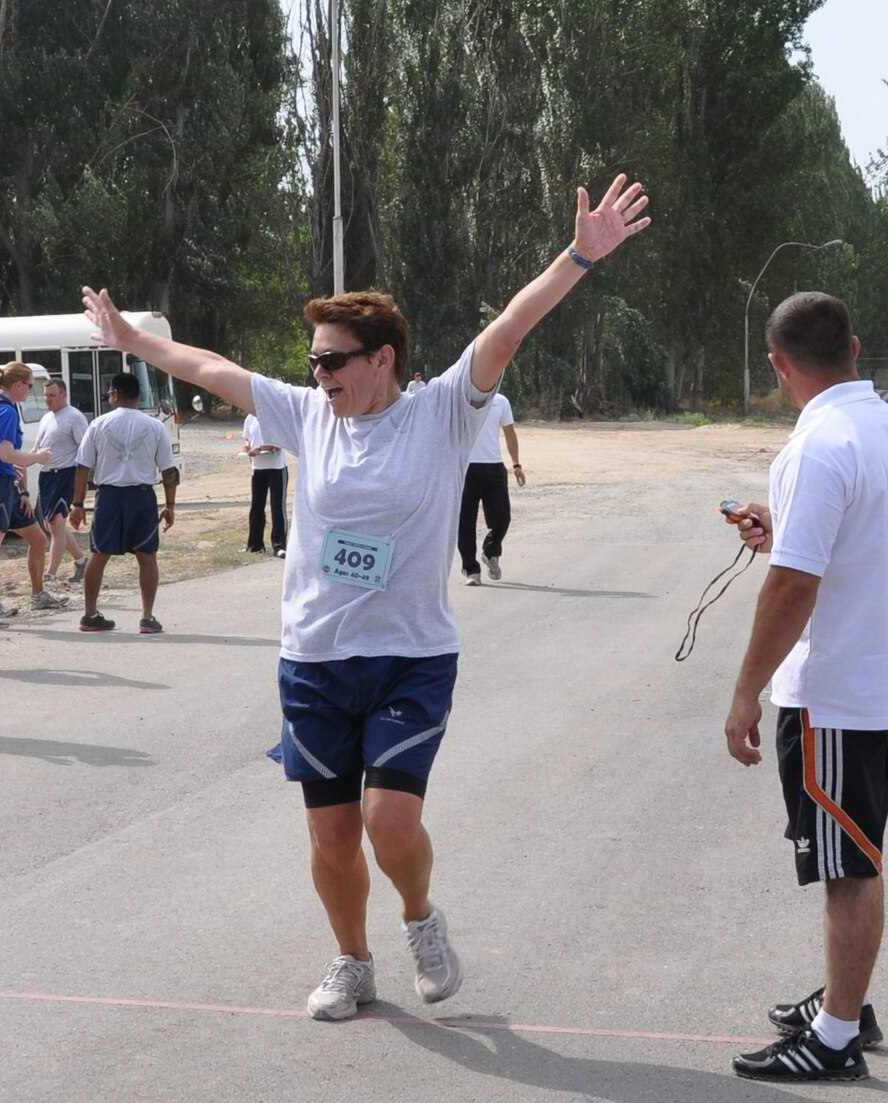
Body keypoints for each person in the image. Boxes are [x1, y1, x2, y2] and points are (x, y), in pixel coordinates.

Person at [83, 172, 650, 1021]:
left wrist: (579, 255)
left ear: (382, 359)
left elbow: (507, 328)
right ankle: (353, 960)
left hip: (411, 656)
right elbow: (210, 368)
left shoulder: (444, 413)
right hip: (314, 659)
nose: (316, 374)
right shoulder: (308, 415)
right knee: (331, 836)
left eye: (332, 359)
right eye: (311, 360)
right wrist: (132, 339)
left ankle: (421, 919)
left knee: (389, 821)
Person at [723, 292, 886, 1082]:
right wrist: (783, 526)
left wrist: (745, 693)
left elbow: (793, 586)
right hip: (874, 682)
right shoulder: (879, 426)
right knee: (859, 855)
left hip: (838, 696)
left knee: (849, 868)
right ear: (855, 348)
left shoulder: (817, 447)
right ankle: (847, 1001)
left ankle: (836, 1037)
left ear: (779, 366)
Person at [72, 372, 178, 633]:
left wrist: (77, 504)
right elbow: (169, 471)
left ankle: (90, 614)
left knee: (99, 554)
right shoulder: (155, 426)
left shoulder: (98, 424)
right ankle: (147, 617)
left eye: (109, 394)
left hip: (108, 496)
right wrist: (170, 505)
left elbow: (83, 467)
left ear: (116, 394)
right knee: (146, 555)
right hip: (141, 496)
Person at [0, 363, 63, 622]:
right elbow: (6, 453)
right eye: (30, 386)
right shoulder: (6, 411)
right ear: (18, 385)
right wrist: (37, 457)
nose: (30, 392)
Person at [458, 391, 524, 584]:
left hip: (494, 467)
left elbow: (510, 433)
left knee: (503, 517)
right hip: (465, 468)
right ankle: (471, 570)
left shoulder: (501, 401)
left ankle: (490, 551)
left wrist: (516, 464)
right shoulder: (460, 398)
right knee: (465, 522)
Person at [34, 375, 90, 583]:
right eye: (46, 395)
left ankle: (50, 574)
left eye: (52, 395)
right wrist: (23, 462)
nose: (48, 399)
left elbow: (85, 449)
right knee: (50, 526)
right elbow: (37, 448)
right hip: (46, 475)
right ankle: (81, 560)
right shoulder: (45, 418)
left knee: (56, 524)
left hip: (65, 474)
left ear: (64, 395)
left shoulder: (74, 417)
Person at [242, 411, 287, 556]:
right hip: (258, 467)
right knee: (256, 506)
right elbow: (247, 437)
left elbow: (278, 443)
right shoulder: (250, 418)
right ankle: (255, 544)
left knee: (277, 506)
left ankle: (279, 545)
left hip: (276, 467)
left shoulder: (275, 415)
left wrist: (260, 448)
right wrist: (248, 447)